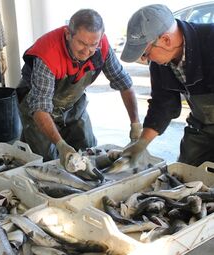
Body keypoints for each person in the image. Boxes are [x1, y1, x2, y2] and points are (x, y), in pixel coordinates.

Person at [17, 8, 141, 170]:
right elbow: (40, 107)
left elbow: (124, 84)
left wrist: (136, 124)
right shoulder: (48, 54)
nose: (87, 51)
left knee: (89, 151)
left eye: (93, 45)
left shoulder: (102, 46)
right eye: (81, 43)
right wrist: (61, 145)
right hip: (36, 106)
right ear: (69, 34)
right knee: (47, 162)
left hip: (72, 103)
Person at [119, 4, 214, 167]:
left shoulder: (210, 40)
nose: (145, 59)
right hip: (201, 126)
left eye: (145, 53)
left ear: (166, 40)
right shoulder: (161, 62)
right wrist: (141, 144)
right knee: (184, 176)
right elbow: (164, 104)